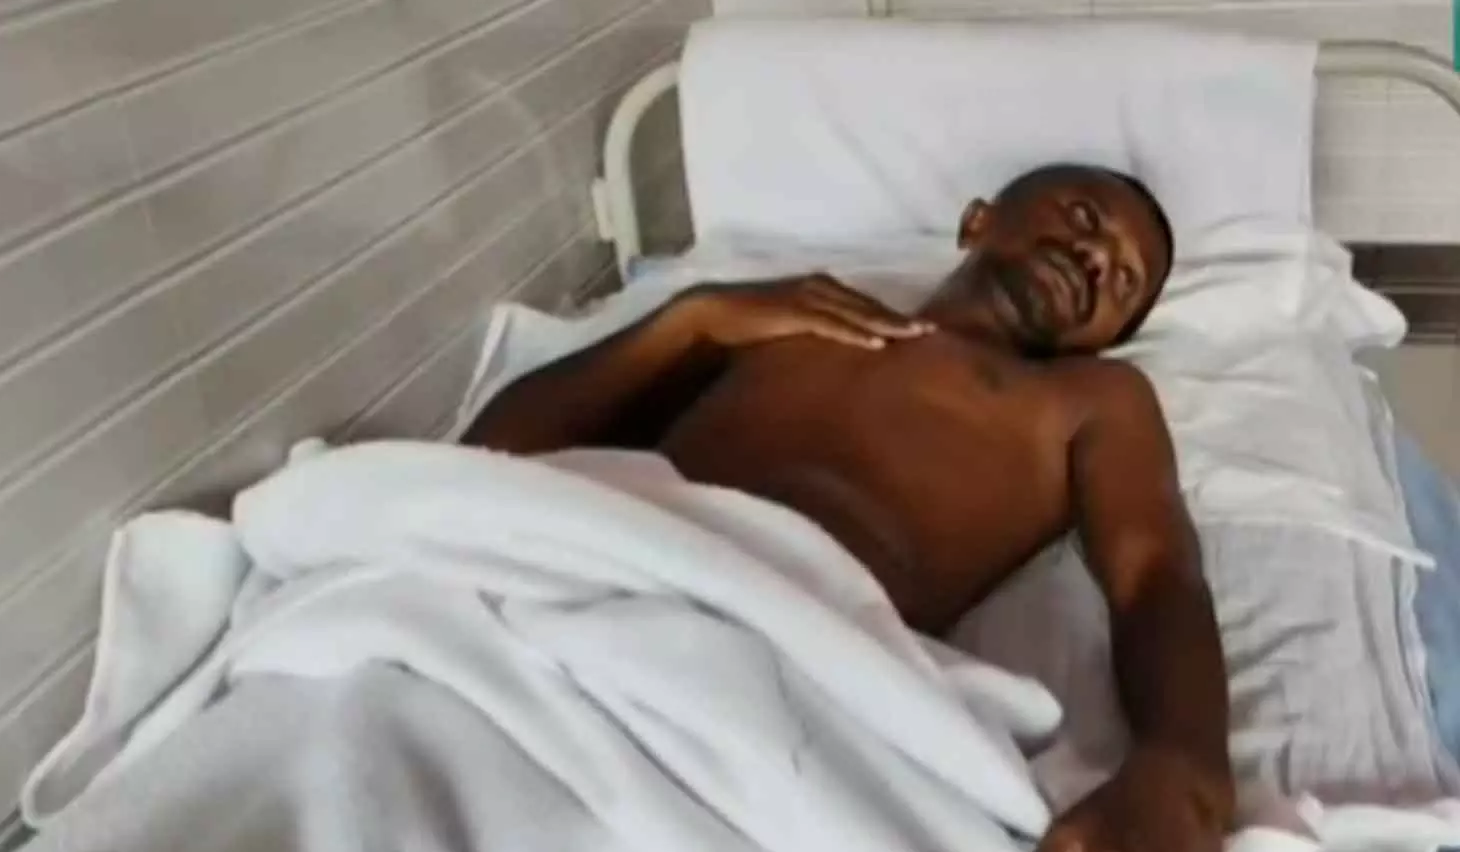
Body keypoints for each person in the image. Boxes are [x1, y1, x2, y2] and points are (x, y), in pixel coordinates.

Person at [463, 163, 1232, 852]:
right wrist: (689, 320)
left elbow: (1157, 573)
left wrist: (1184, 767)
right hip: (616, 570)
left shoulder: (1090, 400)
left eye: (1122, 281)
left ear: (1105, 341)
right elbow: (493, 458)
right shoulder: (788, 313)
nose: (1095, 258)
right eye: (1085, 217)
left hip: (798, 653)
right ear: (978, 220)